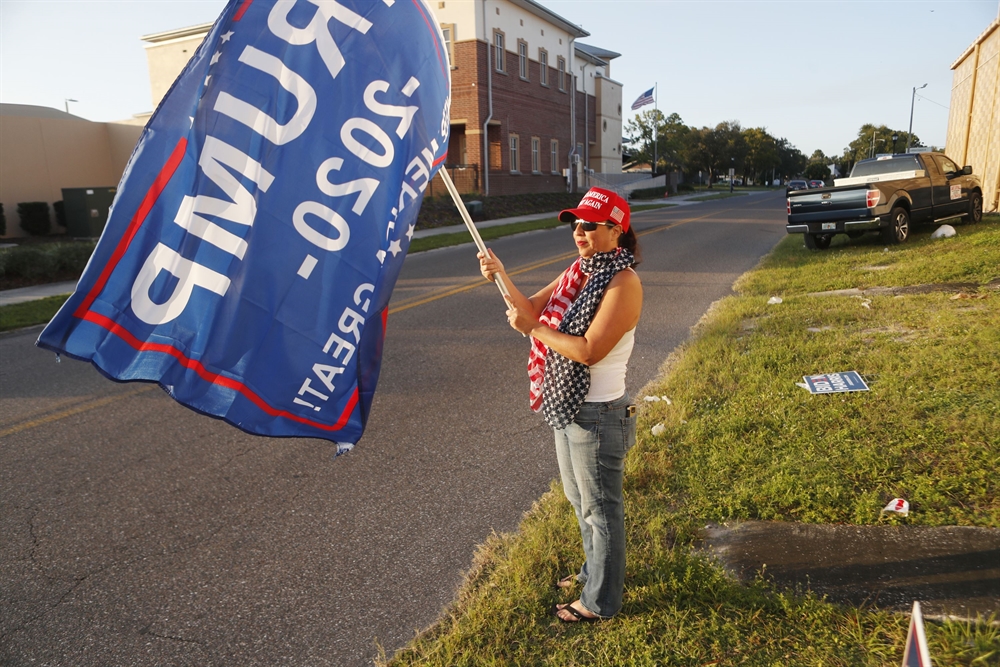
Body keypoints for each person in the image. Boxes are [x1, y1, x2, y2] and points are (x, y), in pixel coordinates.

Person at [478, 187, 643, 622]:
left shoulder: (623, 282)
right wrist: (500, 274)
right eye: (576, 224)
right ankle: (594, 571)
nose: (579, 232)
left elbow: (588, 349)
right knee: (578, 499)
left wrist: (533, 329)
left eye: (590, 225)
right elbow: (530, 308)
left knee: (601, 509)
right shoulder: (580, 271)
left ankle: (600, 602)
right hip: (568, 406)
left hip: (600, 415)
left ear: (616, 230)